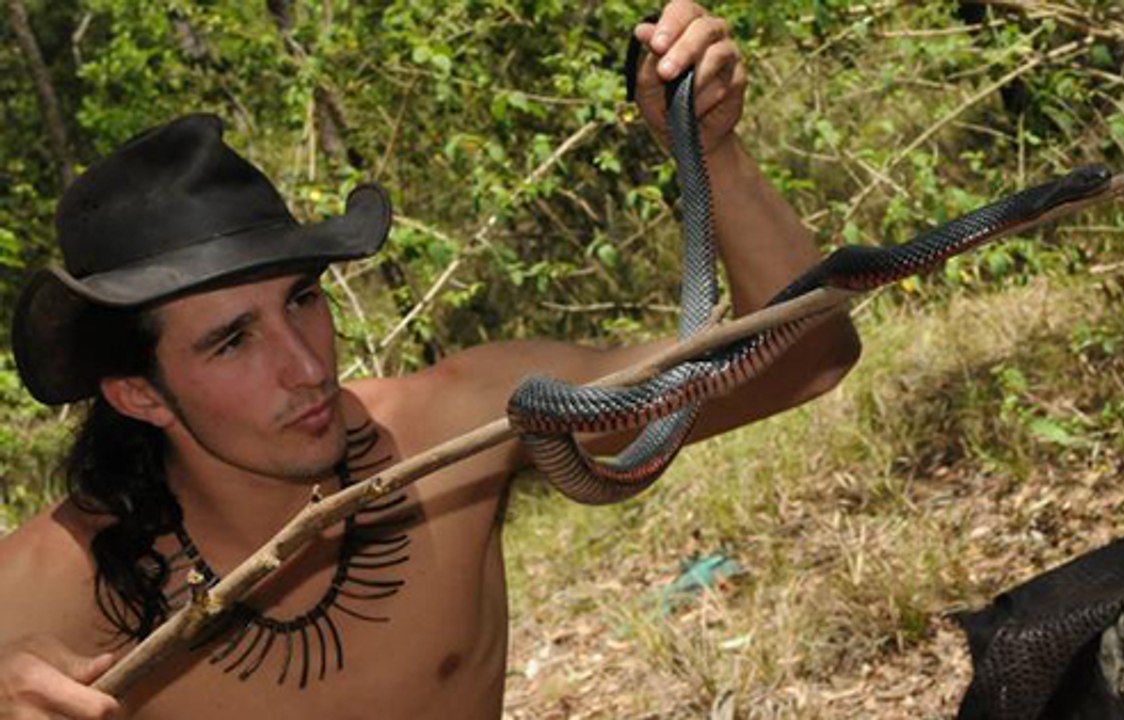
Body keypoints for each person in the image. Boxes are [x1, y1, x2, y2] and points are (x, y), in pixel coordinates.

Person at [0, 3, 859, 717]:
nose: (306, 366)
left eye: (302, 299)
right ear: (139, 393)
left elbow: (807, 357)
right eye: (232, 341)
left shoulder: (458, 428)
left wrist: (713, 152)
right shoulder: (47, 586)